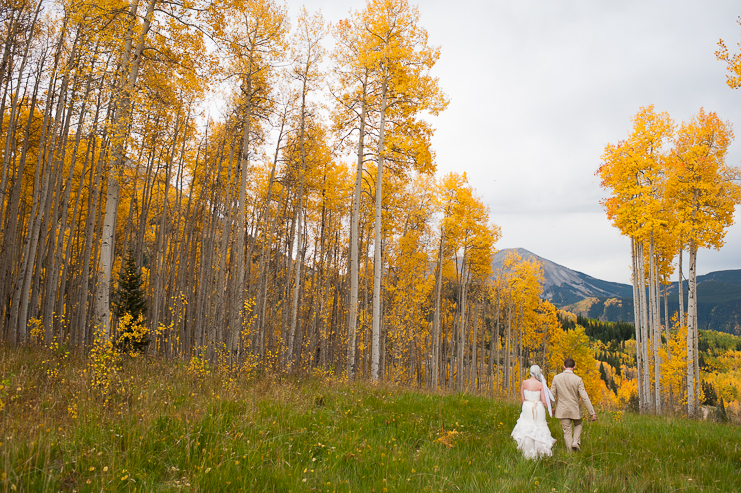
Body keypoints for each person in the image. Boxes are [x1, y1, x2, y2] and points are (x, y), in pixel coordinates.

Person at [550, 358, 597, 453]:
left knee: (567, 432)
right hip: (575, 409)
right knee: (578, 424)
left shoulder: (556, 378)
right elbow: (584, 397)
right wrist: (592, 412)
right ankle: (575, 441)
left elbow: (552, 394)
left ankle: (570, 454)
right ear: (574, 367)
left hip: (562, 409)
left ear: (564, 366)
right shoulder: (578, 380)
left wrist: (551, 407)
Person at [510, 365, 556, 459]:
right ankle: (540, 447)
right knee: (538, 425)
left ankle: (526, 445)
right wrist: (550, 409)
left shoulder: (524, 382)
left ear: (530, 372)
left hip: (527, 406)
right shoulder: (540, 384)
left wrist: (526, 406)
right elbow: (543, 400)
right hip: (538, 407)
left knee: (527, 424)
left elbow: (523, 399)